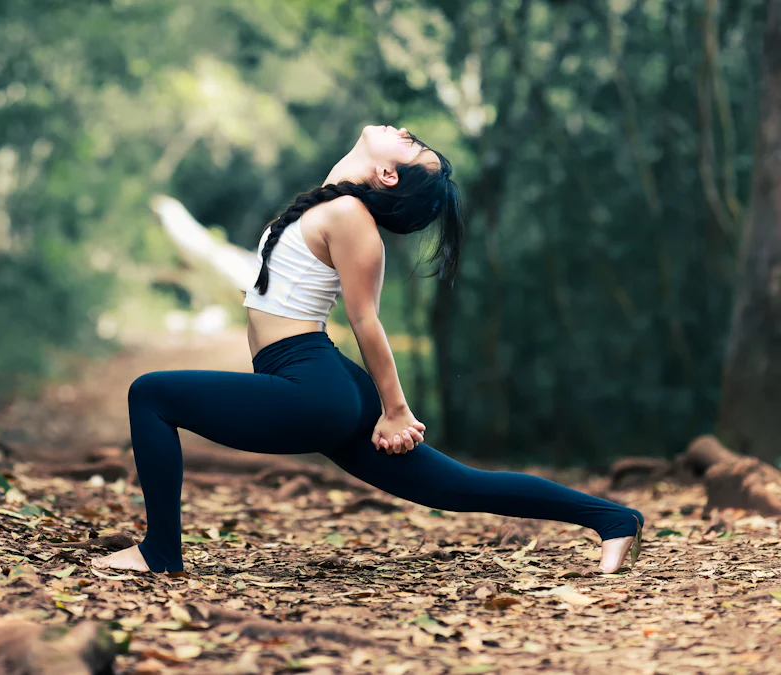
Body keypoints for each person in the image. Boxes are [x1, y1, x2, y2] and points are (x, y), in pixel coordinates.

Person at [92, 124, 643, 575]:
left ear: (387, 173)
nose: (403, 130)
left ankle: (160, 552)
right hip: (317, 380)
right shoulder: (330, 206)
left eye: (411, 145)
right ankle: (614, 518)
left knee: (151, 395)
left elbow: (366, 322)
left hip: (311, 385)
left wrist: (396, 409)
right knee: (456, 485)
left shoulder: (352, 220)